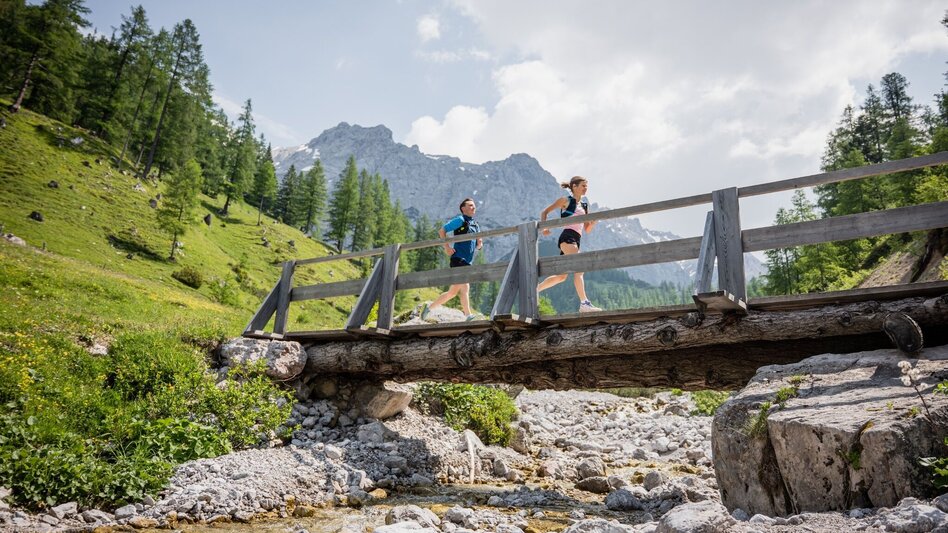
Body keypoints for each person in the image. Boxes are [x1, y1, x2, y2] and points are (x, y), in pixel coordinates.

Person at [537, 176, 603, 313]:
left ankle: (535, 290)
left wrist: (594, 222)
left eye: (587, 186)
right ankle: (584, 303)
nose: (586, 188)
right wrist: (544, 228)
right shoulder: (566, 200)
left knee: (562, 276)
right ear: (574, 186)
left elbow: (587, 229)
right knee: (579, 268)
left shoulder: (584, 206)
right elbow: (545, 212)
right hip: (567, 237)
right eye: (583, 185)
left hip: (576, 240)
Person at [421, 198, 483, 321]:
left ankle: (429, 309)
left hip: (467, 262)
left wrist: (479, 243)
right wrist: (447, 247)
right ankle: (468, 316)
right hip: (458, 259)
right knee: (465, 287)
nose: (473, 207)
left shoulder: (475, 225)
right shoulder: (460, 220)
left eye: (474, 206)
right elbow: (442, 231)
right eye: (470, 205)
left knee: (453, 292)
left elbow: (479, 242)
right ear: (463, 208)